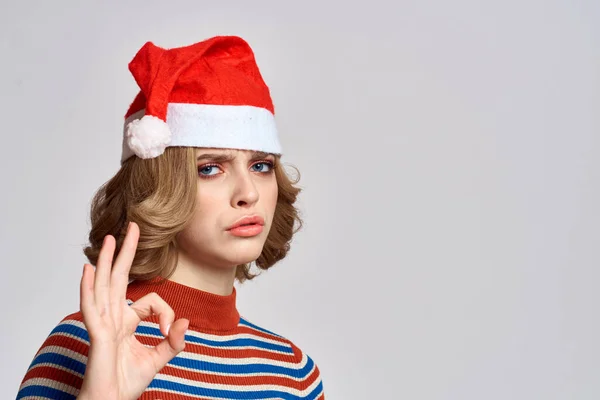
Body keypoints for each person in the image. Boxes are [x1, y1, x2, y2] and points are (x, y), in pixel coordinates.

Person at [16, 35, 325, 400]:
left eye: (261, 166)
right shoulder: (85, 342)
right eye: (210, 168)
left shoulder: (292, 372)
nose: (249, 193)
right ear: (161, 190)